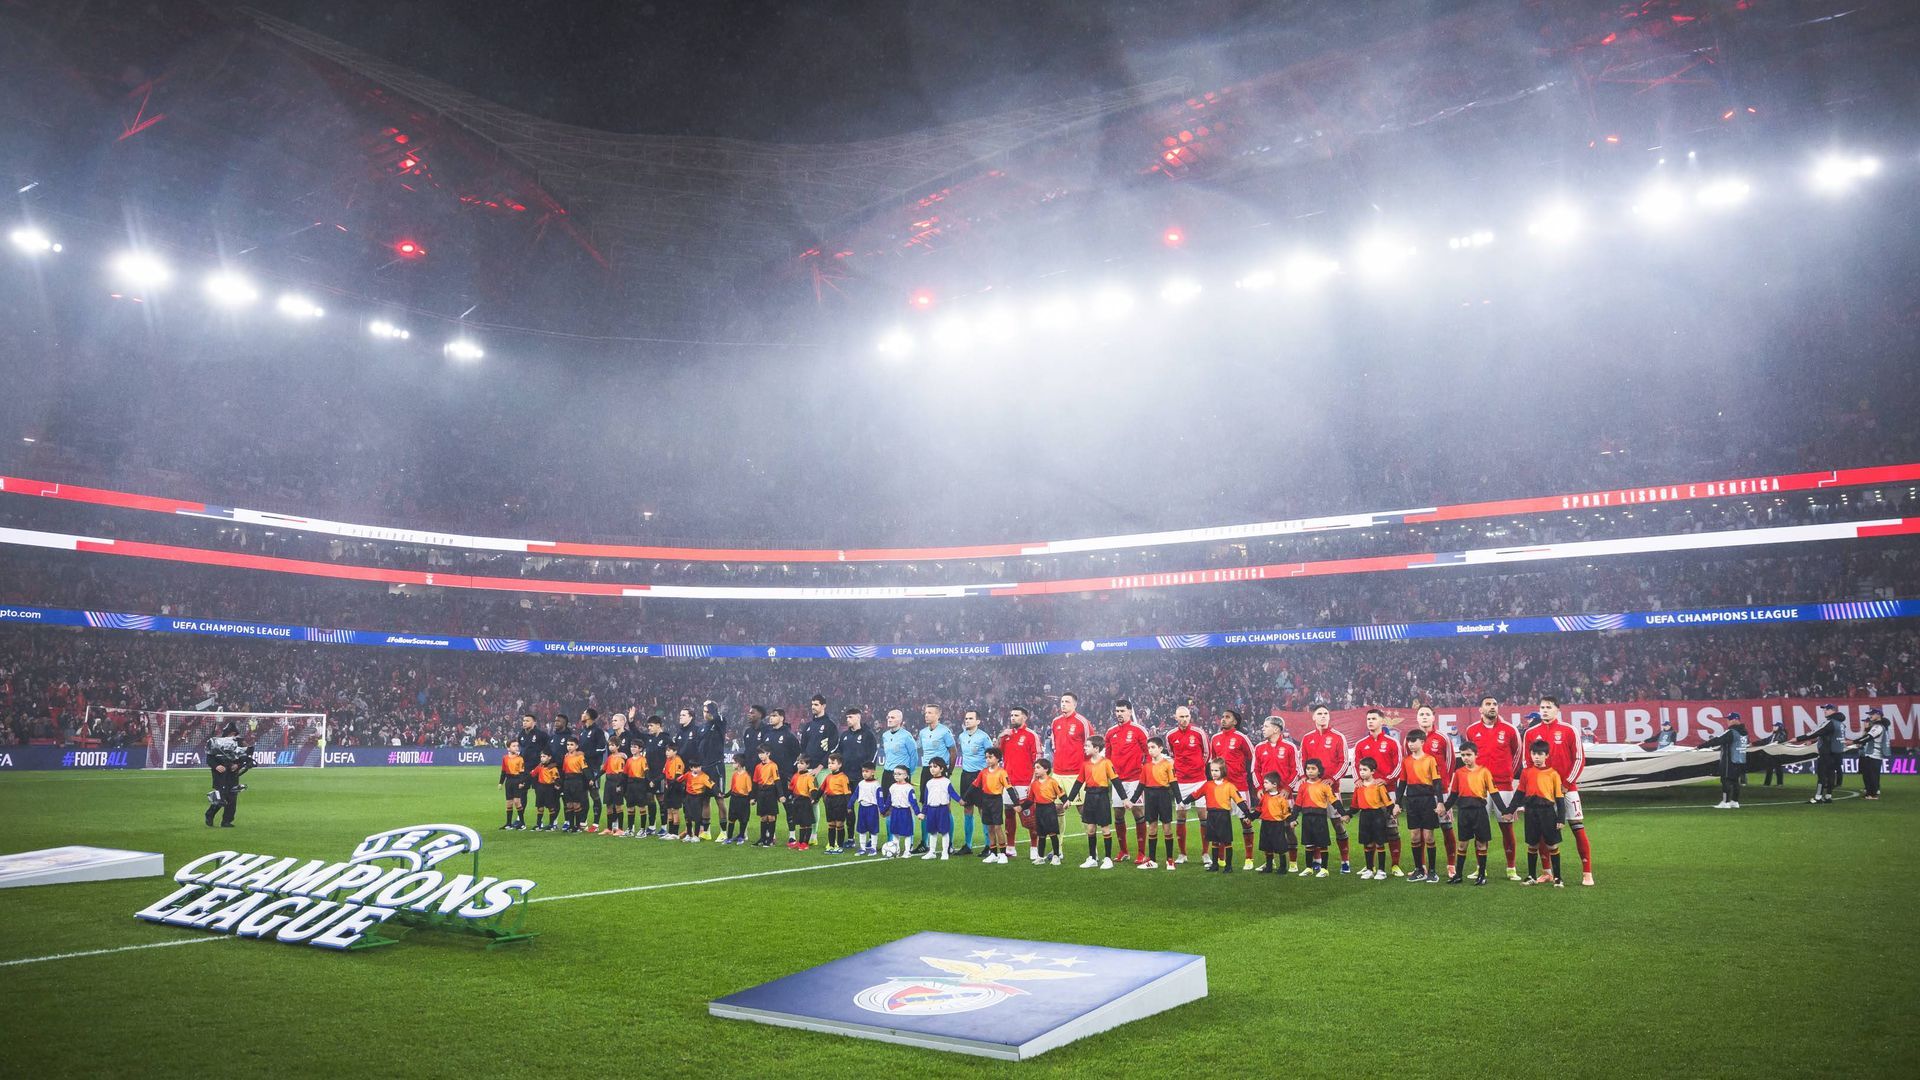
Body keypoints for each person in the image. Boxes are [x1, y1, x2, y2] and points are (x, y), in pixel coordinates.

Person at [1532, 696, 1595, 886]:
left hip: (1568, 789)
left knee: (1577, 827)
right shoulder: (1531, 733)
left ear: (1557, 709)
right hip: (1543, 792)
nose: (1544, 710)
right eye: (1542, 707)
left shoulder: (1569, 730)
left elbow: (1579, 759)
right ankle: (1547, 871)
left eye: (1548, 707)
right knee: (1542, 831)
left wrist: (1567, 783)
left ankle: (1587, 872)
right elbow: (1528, 762)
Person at [1462, 696, 1525, 881]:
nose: (1492, 707)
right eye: (1488, 704)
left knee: (1507, 826)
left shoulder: (1510, 730)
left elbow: (1517, 755)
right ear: (1480, 709)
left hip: (1503, 786)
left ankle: (1511, 868)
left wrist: (1506, 775)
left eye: (1495, 704)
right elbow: (1470, 757)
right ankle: (1481, 868)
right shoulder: (1471, 730)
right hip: (1479, 787)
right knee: (1479, 828)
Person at [1299, 705, 1353, 872]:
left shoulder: (1338, 737)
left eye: (1326, 714)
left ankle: (1345, 861)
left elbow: (1344, 762)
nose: (1323, 716)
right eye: (1319, 714)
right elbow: (1301, 760)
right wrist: (1304, 779)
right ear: (1313, 717)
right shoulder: (1307, 738)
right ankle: (1317, 860)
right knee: (1314, 823)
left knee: (1337, 823)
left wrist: (1332, 779)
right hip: (1312, 790)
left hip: (1331, 788)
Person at [1354, 707, 1404, 877]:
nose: (1370, 721)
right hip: (1369, 792)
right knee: (1370, 828)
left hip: (1388, 791)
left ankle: (1395, 865)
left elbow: (1399, 765)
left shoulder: (1392, 742)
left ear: (1382, 721)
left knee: (1391, 828)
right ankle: (1371, 867)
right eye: (1368, 719)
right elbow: (1355, 767)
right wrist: (1358, 781)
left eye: (1374, 718)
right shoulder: (1361, 744)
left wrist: (1387, 779)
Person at [1182, 757, 1250, 874]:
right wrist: (1184, 802)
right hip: (1211, 815)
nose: (1213, 773)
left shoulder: (1229, 786)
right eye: (1212, 770)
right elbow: (1195, 795)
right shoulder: (1207, 785)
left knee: (1227, 841)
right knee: (1214, 841)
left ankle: (1228, 866)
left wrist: (1249, 814)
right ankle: (1215, 864)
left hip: (1223, 816)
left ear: (1223, 771)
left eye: (1216, 770)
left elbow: (1239, 801)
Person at [1210, 709, 1258, 869]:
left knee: (1245, 821)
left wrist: (1245, 775)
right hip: (1221, 789)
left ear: (1235, 721)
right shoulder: (1215, 738)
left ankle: (1249, 859)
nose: (1223, 720)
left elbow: (1252, 757)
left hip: (1239, 786)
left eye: (1227, 717)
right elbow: (1212, 761)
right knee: (1220, 824)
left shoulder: (1241, 737)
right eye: (1222, 717)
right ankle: (1221, 859)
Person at [1442, 742, 1496, 885]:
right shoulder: (1459, 773)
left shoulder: (1484, 771)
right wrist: (1444, 808)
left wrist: (1506, 810)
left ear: (1476, 755)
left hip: (1479, 812)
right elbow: (1453, 795)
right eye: (1463, 755)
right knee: (1462, 845)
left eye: (1469, 755)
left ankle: (1482, 875)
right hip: (1464, 812)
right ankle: (1458, 875)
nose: (1466, 758)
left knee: (1481, 844)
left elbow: (1494, 793)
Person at [1412, 706, 1458, 870]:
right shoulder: (1411, 739)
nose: (1424, 717)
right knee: (1422, 830)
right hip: (1420, 793)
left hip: (1441, 792)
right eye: (1421, 714)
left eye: (1427, 714)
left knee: (1446, 827)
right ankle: (1422, 866)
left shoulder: (1442, 738)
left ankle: (1451, 865)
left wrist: (1445, 784)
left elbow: (1451, 763)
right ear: (1417, 718)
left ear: (1433, 718)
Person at [1106, 699, 1151, 864]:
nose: (1119, 714)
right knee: (1118, 814)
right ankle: (1124, 851)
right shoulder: (1110, 732)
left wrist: (1144, 774)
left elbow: (1148, 754)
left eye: (1122, 711)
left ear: (1130, 711)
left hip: (1135, 779)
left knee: (1138, 812)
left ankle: (1141, 853)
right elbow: (1108, 758)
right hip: (1118, 781)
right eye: (1117, 711)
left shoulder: (1139, 730)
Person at [1518, 740, 1568, 887]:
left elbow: (1559, 798)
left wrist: (1561, 818)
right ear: (1530, 755)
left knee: (1552, 845)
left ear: (1547, 755)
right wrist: (1510, 809)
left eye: (1540, 754)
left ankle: (1558, 878)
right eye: (1534, 754)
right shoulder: (1526, 772)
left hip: (1547, 813)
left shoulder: (1553, 774)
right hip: (1531, 812)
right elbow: (1520, 792)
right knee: (1532, 844)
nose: (1537, 757)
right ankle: (1531, 876)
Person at [1165, 705, 1210, 865]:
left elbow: (1207, 753)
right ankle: (1182, 854)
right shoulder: (1170, 735)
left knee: (1203, 816)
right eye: (1181, 717)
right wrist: (1181, 770)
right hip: (1181, 782)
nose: (1184, 719)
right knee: (1181, 816)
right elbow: (1171, 754)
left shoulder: (1199, 733)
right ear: (1175, 717)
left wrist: (1197, 768)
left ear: (1190, 717)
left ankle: (1205, 853)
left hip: (1199, 780)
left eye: (1186, 716)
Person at [1067, 736, 1119, 868]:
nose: (1084, 748)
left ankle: (1108, 859)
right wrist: (1069, 799)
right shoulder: (1085, 764)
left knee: (1105, 828)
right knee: (1090, 828)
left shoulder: (1106, 763)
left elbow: (1116, 781)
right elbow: (1079, 782)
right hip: (1089, 797)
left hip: (1102, 797)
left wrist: (1124, 798)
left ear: (1096, 749)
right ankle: (1092, 858)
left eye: (1087, 746)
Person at [1400, 729, 1443, 881]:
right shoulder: (1406, 761)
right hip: (1412, 801)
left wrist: (1441, 802)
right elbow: (1402, 783)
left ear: (1422, 742)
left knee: (1429, 836)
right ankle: (1419, 869)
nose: (1410, 744)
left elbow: (1437, 782)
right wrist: (1397, 803)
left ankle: (1432, 871)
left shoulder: (1430, 760)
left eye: (1414, 741)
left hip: (1427, 800)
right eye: (1409, 741)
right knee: (1414, 836)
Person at [1000, 707, 1041, 859]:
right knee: (1009, 813)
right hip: (1008, 783)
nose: (1012, 718)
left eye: (1016, 715)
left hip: (1025, 782)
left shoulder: (1031, 735)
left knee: (1030, 816)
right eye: (1011, 715)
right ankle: (1011, 847)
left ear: (1025, 718)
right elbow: (997, 755)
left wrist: (1034, 781)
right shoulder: (1006, 736)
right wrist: (1000, 737)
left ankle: (1034, 847)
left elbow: (1038, 758)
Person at [915, 705, 957, 853]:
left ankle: (950, 844)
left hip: (941, 769)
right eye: (925, 712)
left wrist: (949, 771)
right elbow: (917, 748)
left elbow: (953, 751)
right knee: (925, 805)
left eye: (930, 713)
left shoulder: (945, 731)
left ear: (938, 715)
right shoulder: (923, 732)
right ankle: (924, 842)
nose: (926, 715)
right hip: (926, 769)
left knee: (946, 807)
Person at [955, 708, 994, 855]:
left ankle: (988, 845)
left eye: (971, 718)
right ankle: (968, 845)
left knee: (982, 809)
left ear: (978, 721)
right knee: (967, 808)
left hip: (980, 776)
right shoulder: (961, 736)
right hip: (965, 775)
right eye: (966, 718)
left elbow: (991, 756)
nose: (967, 720)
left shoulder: (984, 737)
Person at [1351, 758, 1396, 881]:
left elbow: (1387, 801)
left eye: (1365, 770)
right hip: (1364, 816)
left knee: (1379, 843)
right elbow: (1354, 805)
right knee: (1368, 843)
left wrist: (1393, 809)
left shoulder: (1378, 785)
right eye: (1360, 770)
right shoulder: (1358, 786)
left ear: (1373, 771)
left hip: (1377, 816)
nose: (1362, 772)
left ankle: (1381, 870)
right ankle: (1370, 869)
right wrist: (1348, 815)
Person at [1139, 737, 1177, 870]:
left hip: (1163, 796)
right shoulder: (1146, 766)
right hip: (1150, 797)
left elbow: (1173, 783)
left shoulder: (1167, 764)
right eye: (1149, 748)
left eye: (1153, 747)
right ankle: (1152, 860)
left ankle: (1170, 860)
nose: (1150, 750)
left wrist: (1180, 800)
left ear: (1161, 748)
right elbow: (1141, 785)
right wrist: (1132, 800)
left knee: (1167, 828)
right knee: (1152, 827)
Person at [1797, 705, 1849, 804]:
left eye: (1827, 709)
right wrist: (1812, 742)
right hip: (1836, 753)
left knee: (1822, 775)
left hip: (1826, 753)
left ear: (1833, 711)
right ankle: (1828, 796)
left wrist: (1798, 739)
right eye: (1824, 709)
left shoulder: (1830, 722)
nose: (1824, 711)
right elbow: (1827, 735)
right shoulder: (1841, 724)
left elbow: (1816, 732)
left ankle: (1818, 797)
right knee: (1831, 774)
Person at [1295, 759, 1338, 878]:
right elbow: (1298, 804)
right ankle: (1309, 868)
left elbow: (1334, 800)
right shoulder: (1302, 786)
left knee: (1322, 844)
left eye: (1313, 769)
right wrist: (1293, 818)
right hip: (1307, 818)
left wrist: (1344, 813)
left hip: (1320, 818)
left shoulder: (1324, 786)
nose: (1310, 771)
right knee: (1308, 844)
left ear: (1319, 771)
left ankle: (1324, 869)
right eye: (1308, 769)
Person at [1699, 713, 1751, 809]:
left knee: (1725, 780)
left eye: (1730, 719)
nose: (1728, 721)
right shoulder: (1745, 732)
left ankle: (1725, 802)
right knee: (1735, 781)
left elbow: (1717, 740)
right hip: (1741, 760)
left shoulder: (1731, 732)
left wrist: (1700, 746)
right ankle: (1735, 801)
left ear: (1736, 720)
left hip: (1729, 760)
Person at [1049, 693, 1092, 806]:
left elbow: (1091, 746)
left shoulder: (1082, 722)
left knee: (1081, 807)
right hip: (1058, 773)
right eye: (1062, 702)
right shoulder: (1055, 722)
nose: (1063, 704)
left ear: (1075, 705)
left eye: (1067, 702)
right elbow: (1054, 746)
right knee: (1057, 807)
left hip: (1076, 772)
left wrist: (1086, 767)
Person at [204, 722, 249, 828]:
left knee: (232, 798)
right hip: (220, 775)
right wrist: (217, 766)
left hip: (233, 775)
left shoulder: (237, 744)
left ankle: (227, 821)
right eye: (233, 733)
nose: (234, 736)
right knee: (221, 798)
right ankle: (209, 815)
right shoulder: (216, 743)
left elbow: (242, 758)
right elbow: (209, 758)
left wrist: (237, 765)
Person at [1025, 759, 1065, 865]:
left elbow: (1061, 793)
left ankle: (1056, 856)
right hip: (1039, 810)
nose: (1035, 770)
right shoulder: (1034, 784)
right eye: (1035, 768)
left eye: (1038, 768)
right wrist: (1021, 807)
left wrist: (1066, 801)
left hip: (1049, 809)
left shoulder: (1052, 781)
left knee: (1052, 833)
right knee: (1041, 834)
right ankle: (1040, 857)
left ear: (1046, 769)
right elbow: (1030, 800)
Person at [975, 749, 1011, 864]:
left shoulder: (1002, 772)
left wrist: (1016, 803)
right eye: (986, 757)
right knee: (989, 827)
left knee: (997, 827)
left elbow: (1009, 788)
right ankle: (993, 853)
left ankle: (1003, 854)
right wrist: (964, 798)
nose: (987, 759)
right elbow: (974, 785)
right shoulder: (983, 772)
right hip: (986, 800)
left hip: (996, 801)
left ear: (997, 758)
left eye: (990, 757)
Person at [1255, 772, 1295, 874]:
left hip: (1277, 825)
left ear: (1274, 785)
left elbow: (1286, 812)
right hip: (1265, 824)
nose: (1264, 785)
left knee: (1280, 846)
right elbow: (1259, 809)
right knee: (1267, 846)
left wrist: (1291, 821)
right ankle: (1269, 867)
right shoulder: (1264, 797)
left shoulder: (1281, 798)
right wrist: (1250, 818)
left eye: (1266, 783)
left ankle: (1282, 867)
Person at [1851, 707, 1891, 800]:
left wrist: (1854, 742)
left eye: (1872, 714)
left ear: (1878, 714)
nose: (1870, 716)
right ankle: (1870, 793)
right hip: (1872, 753)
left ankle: (1873, 794)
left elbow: (1868, 737)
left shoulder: (1878, 726)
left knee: (1872, 774)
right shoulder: (1878, 726)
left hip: (1874, 754)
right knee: (1870, 774)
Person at [578, 709, 608, 832]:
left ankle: (595, 824)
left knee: (594, 794)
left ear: (589, 716)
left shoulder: (598, 731)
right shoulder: (582, 732)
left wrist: (585, 754)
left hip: (593, 768)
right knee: (583, 796)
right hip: (582, 768)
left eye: (584, 713)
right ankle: (583, 822)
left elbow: (601, 749)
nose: (582, 714)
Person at [883, 765, 921, 858]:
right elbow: (889, 800)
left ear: (906, 775)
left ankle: (907, 851)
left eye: (899, 774)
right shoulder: (892, 787)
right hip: (894, 812)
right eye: (895, 774)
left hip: (905, 812)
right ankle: (896, 850)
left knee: (907, 833)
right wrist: (883, 810)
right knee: (895, 832)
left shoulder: (909, 788)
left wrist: (918, 813)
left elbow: (913, 802)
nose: (896, 776)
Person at [920, 758, 955, 860]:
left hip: (942, 809)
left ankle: (945, 852)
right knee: (932, 831)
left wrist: (961, 800)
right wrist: (923, 812)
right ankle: (932, 851)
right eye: (930, 767)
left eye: (935, 767)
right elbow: (926, 800)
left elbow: (952, 793)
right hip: (931, 810)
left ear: (942, 769)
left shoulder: (946, 782)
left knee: (944, 831)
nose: (932, 769)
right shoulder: (929, 783)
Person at [799, 695, 840, 776]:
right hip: (808, 769)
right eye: (812, 704)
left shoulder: (830, 725)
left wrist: (820, 766)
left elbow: (833, 748)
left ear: (823, 706)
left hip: (823, 770)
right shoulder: (808, 726)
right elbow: (803, 748)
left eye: (816, 705)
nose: (813, 707)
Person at [785, 755, 820, 849]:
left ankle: (805, 843)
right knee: (801, 823)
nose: (799, 765)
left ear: (807, 765)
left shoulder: (809, 776)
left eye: (802, 763)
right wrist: (789, 795)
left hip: (805, 801)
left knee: (807, 823)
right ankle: (800, 842)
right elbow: (791, 788)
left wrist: (813, 798)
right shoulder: (795, 776)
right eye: (798, 763)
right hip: (797, 801)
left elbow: (813, 788)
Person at [821, 753, 853, 852]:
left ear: (839, 765)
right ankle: (831, 845)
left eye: (833, 763)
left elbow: (847, 792)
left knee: (839, 824)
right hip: (829, 802)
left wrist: (849, 805)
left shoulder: (843, 777)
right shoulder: (828, 777)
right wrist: (815, 798)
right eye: (829, 763)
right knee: (831, 824)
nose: (830, 765)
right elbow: (821, 789)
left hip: (839, 801)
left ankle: (839, 846)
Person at [751, 747, 782, 847]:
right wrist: (753, 797)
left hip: (770, 791)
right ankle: (762, 838)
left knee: (771, 816)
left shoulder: (773, 765)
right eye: (759, 753)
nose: (760, 755)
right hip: (761, 792)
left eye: (762, 753)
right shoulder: (758, 767)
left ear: (768, 753)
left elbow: (777, 780)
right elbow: (755, 782)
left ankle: (770, 839)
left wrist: (780, 795)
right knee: (763, 817)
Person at [837, 708, 877, 783]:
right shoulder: (844, 735)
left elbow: (873, 753)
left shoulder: (868, 734)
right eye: (847, 717)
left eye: (850, 717)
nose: (848, 719)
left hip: (861, 776)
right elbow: (839, 753)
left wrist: (868, 770)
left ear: (858, 717)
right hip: (845, 776)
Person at [559, 738, 590, 833]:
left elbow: (585, 769)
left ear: (576, 746)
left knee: (576, 804)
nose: (569, 747)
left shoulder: (580, 757)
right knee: (569, 804)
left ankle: (577, 825)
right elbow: (564, 771)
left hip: (577, 781)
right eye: (568, 745)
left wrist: (590, 780)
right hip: (567, 782)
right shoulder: (566, 756)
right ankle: (571, 826)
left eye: (571, 744)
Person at [723, 752, 754, 845]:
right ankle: (728, 838)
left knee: (743, 819)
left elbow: (750, 790)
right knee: (731, 819)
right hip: (734, 799)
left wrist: (751, 799)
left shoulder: (746, 776)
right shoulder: (734, 775)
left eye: (734, 762)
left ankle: (741, 837)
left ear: (739, 763)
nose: (733, 764)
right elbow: (732, 789)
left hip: (743, 800)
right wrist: (725, 795)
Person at [853, 763, 883, 856]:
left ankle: (873, 848)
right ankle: (862, 848)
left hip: (872, 809)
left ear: (873, 771)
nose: (864, 773)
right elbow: (855, 794)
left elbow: (880, 798)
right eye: (863, 771)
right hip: (862, 808)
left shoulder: (876, 785)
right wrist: (850, 805)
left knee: (873, 829)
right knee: (862, 829)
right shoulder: (861, 783)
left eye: (867, 771)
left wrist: (882, 809)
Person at [599, 741, 629, 835]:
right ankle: (609, 828)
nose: (610, 747)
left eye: (613, 745)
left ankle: (620, 829)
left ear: (618, 746)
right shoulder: (609, 758)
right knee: (608, 805)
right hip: (608, 783)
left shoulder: (620, 758)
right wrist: (594, 778)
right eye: (609, 745)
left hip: (616, 782)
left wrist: (619, 785)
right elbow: (603, 770)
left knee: (618, 806)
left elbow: (621, 773)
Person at [498, 739, 529, 830]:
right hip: (509, 781)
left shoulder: (520, 759)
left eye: (517, 746)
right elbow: (503, 771)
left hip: (516, 780)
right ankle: (508, 824)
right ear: (508, 748)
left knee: (517, 802)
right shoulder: (505, 758)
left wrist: (521, 782)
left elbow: (522, 772)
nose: (516, 747)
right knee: (509, 803)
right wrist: (501, 783)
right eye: (514, 746)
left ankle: (522, 823)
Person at [681, 763, 715, 842]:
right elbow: (679, 779)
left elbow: (712, 784)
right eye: (696, 767)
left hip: (697, 798)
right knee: (687, 817)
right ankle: (689, 835)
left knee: (697, 817)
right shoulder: (688, 774)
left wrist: (718, 792)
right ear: (691, 768)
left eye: (699, 767)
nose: (698, 769)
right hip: (688, 797)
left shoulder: (704, 776)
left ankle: (696, 836)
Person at [659, 743, 687, 839]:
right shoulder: (667, 761)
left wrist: (670, 785)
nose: (666, 752)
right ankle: (670, 832)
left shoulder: (678, 761)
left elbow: (677, 777)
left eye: (669, 750)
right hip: (668, 787)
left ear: (675, 751)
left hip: (675, 788)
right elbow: (664, 773)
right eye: (666, 750)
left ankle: (675, 833)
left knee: (675, 810)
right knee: (669, 810)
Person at [621, 740, 649, 836]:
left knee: (642, 807)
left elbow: (646, 772)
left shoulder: (643, 760)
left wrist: (649, 783)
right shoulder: (628, 760)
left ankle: (642, 830)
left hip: (640, 784)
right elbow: (624, 774)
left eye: (635, 747)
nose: (632, 748)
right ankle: (630, 829)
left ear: (640, 749)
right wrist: (620, 785)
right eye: (631, 746)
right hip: (630, 784)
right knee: (630, 807)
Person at [530, 751, 560, 831]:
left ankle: (551, 825)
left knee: (551, 807)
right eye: (541, 756)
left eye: (544, 756)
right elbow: (533, 774)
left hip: (549, 788)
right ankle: (538, 824)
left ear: (549, 757)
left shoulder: (552, 767)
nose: (542, 758)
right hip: (540, 788)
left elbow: (556, 778)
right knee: (539, 806)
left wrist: (557, 784)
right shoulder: (540, 766)